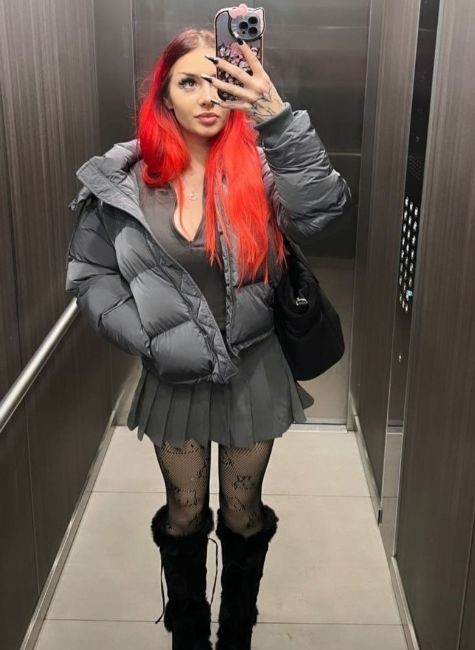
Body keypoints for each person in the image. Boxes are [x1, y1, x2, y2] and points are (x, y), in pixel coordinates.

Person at [65, 26, 352, 650]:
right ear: (164, 96)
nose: (207, 97)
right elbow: (91, 273)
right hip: (175, 376)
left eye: (220, 82)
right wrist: (149, 338)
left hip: (255, 370)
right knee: (185, 511)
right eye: (189, 82)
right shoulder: (125, 181)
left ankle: (237, 633)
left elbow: (323, 210)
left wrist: (276, 118)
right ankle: (189, 635)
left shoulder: (263, 169)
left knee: (243, 513)